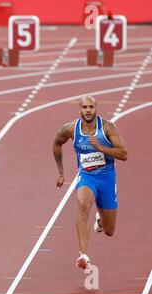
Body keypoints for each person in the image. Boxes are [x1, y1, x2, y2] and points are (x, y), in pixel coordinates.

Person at [53, 96, 127, 270]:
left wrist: (101, 148)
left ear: (96, 109)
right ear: (80, 109)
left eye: (91, 107)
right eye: (84, 107)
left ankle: (101, 220)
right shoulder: (71, 129)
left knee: (109, 231)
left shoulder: (107, 127)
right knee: (83, 203)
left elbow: (124, 154)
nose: (88, 110)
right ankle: (83, 255)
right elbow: (56, 144)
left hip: (107, 179)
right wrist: (61, 172)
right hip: (87, 177)